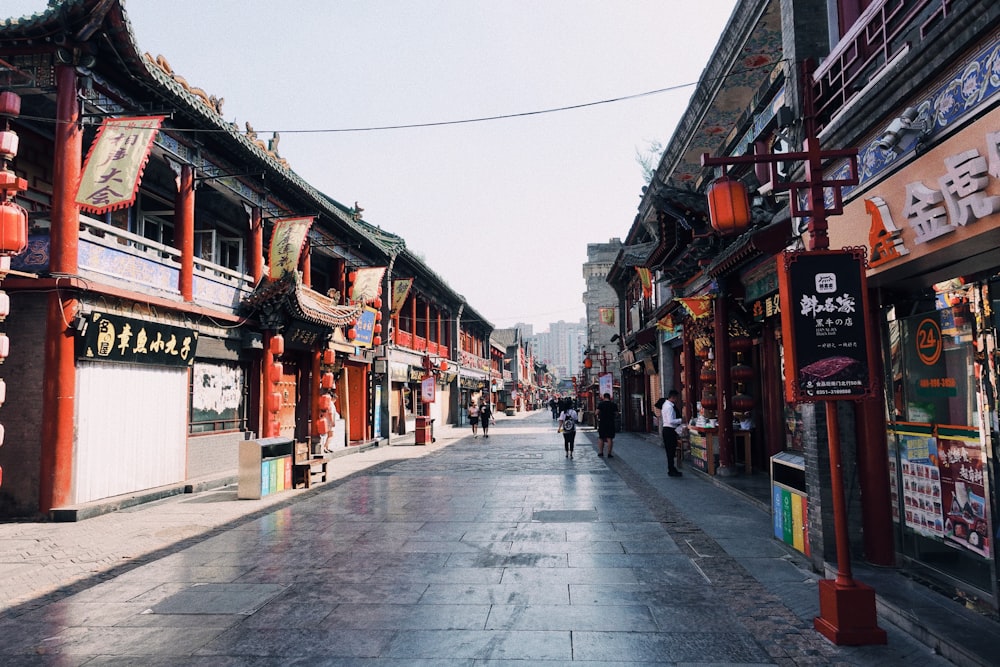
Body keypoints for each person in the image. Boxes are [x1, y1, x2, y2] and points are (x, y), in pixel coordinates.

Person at [655, 390, 684, 477]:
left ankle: (672, 468)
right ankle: (671, 469)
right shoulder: (669, 407)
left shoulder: (667, 405)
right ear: (673, 397)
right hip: (669, 430)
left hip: (668, 430)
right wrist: (681, 420)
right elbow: (671, 421)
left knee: (671, 451)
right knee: (670, 451)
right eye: (677, 398)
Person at [595, 393, 618, 458]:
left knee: (601, 437)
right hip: (611, 423)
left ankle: (601, 452)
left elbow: (596, 412)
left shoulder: (601, 404)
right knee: (609, 438)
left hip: (602, 423)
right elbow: (616, 414)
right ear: (610, 397)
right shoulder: (613, 405)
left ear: (603, 397)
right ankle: (609, 453)